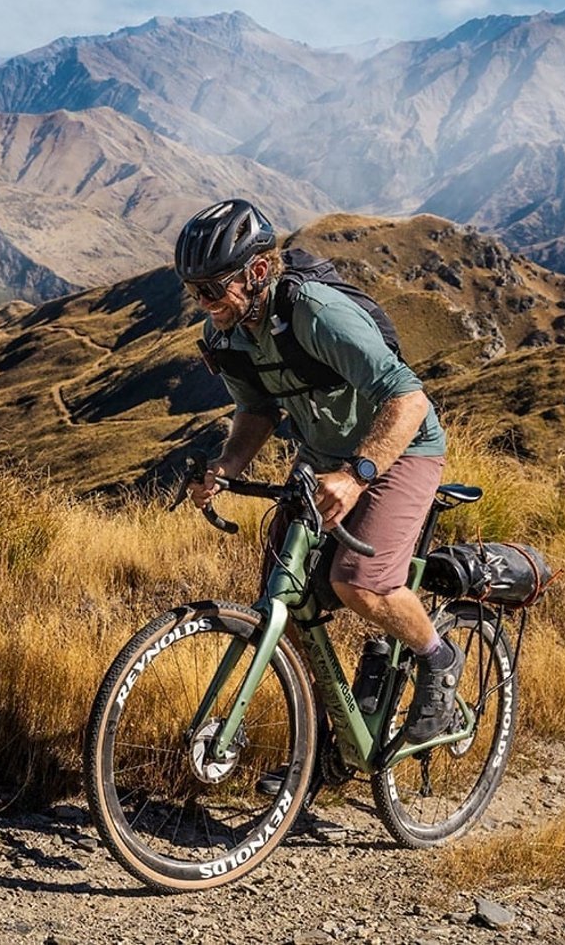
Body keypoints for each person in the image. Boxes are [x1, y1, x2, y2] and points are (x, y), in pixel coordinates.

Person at [175, 198, 463, 743]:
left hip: (401, 449)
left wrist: (357, 475)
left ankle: (438, 656)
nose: (203, 303)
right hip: (322, 459)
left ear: (257, 272)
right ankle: (323, 742)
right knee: (286, 595)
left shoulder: (317, 313)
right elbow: (256, 411)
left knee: (360, 582)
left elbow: (409, 400)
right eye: (194, 292)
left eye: (212, 289)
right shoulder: (226, 334)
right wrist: (226, 468)